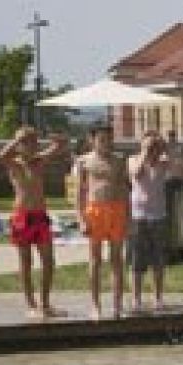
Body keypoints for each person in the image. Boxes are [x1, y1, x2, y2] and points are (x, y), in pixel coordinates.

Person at [0, 127, 68, 318]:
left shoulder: (39, 161)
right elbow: (2, 155)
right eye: (26, 142)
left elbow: (61, 146)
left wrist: (56, 138)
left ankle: (45, 303)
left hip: (40, 215)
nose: (30, 145)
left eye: (33, 142)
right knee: (26, 262)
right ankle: (31, 304)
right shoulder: (16, 164)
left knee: (48, 261)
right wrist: (16, 138)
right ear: (20, 146)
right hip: (22, 216)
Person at [72, 126, 130, 320]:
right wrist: (80, 219)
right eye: (102, 139)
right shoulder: (84, 161)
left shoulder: (120, 160)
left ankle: (117, 305)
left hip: (117, 209)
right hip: (95, 209)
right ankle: (95, 305)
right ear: (92, 140)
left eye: (109, 139)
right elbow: (79, 192)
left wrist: (129, 217)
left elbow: (124, 189)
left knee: (116, 259)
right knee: (95, 260)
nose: (106, 143)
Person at [127, 131, 175, 313]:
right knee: (137, 260)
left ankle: (158, 298)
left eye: (154, 146)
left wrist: (164, 149)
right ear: (141, 145)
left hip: (158, 216)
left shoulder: (163, 162)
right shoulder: (133, 159)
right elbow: (136, 174)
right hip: (138, 216)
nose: (151, 149)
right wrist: (145, 154)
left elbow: (177, 169)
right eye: (148, 146)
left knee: (158, 260)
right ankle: (136, 299)